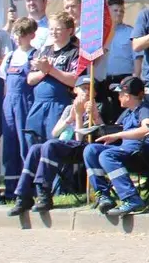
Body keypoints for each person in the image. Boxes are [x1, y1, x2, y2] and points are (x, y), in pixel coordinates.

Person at [9, 74, 101, 215]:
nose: (86, 92)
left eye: (90, 89)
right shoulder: (69, 108)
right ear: (75, 90)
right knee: (35, 149)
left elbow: (80, 138)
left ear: (95, 92)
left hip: (82, 147)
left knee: (50, 145)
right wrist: (70, 117)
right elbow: (55, 132)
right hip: (63, 144)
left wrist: (83, 115)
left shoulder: (97, 107)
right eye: (83, 88)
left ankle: (44, 193)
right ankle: (23, 195)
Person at [83, 75, 149, 216]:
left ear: (131, 95)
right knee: (91, 149)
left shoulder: (144, 109)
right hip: (125, 150)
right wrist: (95, 114)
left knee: (107, 155)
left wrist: (118, 136)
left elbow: (148, 129)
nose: (118, 96)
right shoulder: (127, 112)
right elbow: (109, 131)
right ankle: (104, 196)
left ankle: (132, 198)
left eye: (121, 93)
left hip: (140, 152)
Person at [24, 13, 82, 155]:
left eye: (58, 29)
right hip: (38, 104)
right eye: (51, 29)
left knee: (55, 144)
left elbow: (75, 80)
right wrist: (44, 71)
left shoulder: (75, 53)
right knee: (33, 142)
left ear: (69, 30)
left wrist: (50, 69)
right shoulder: (43, 51)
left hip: (59, 104)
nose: (53, 32)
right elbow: (30, 79)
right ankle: (36, 176)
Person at [0, 17, 38, 202]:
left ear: (31, 35)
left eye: (21, 35)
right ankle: (10, 190)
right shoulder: (9, 56)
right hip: (9, 103)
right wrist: (6, 103)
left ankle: (26, 189)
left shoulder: (35, 55)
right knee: (9, 146)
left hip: (26, 103)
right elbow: (6, 82)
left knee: (25, 145)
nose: (17, 38)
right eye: (16, 34)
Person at [91, 0, 137, 126]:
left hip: (123, 78)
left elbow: (137, 57)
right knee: (103, 112)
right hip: (102, 80)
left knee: (121, 112)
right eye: (115, 10)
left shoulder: (130, 32)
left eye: (121, 11)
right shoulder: (99, 32)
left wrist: (136, 77)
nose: (119, 13)